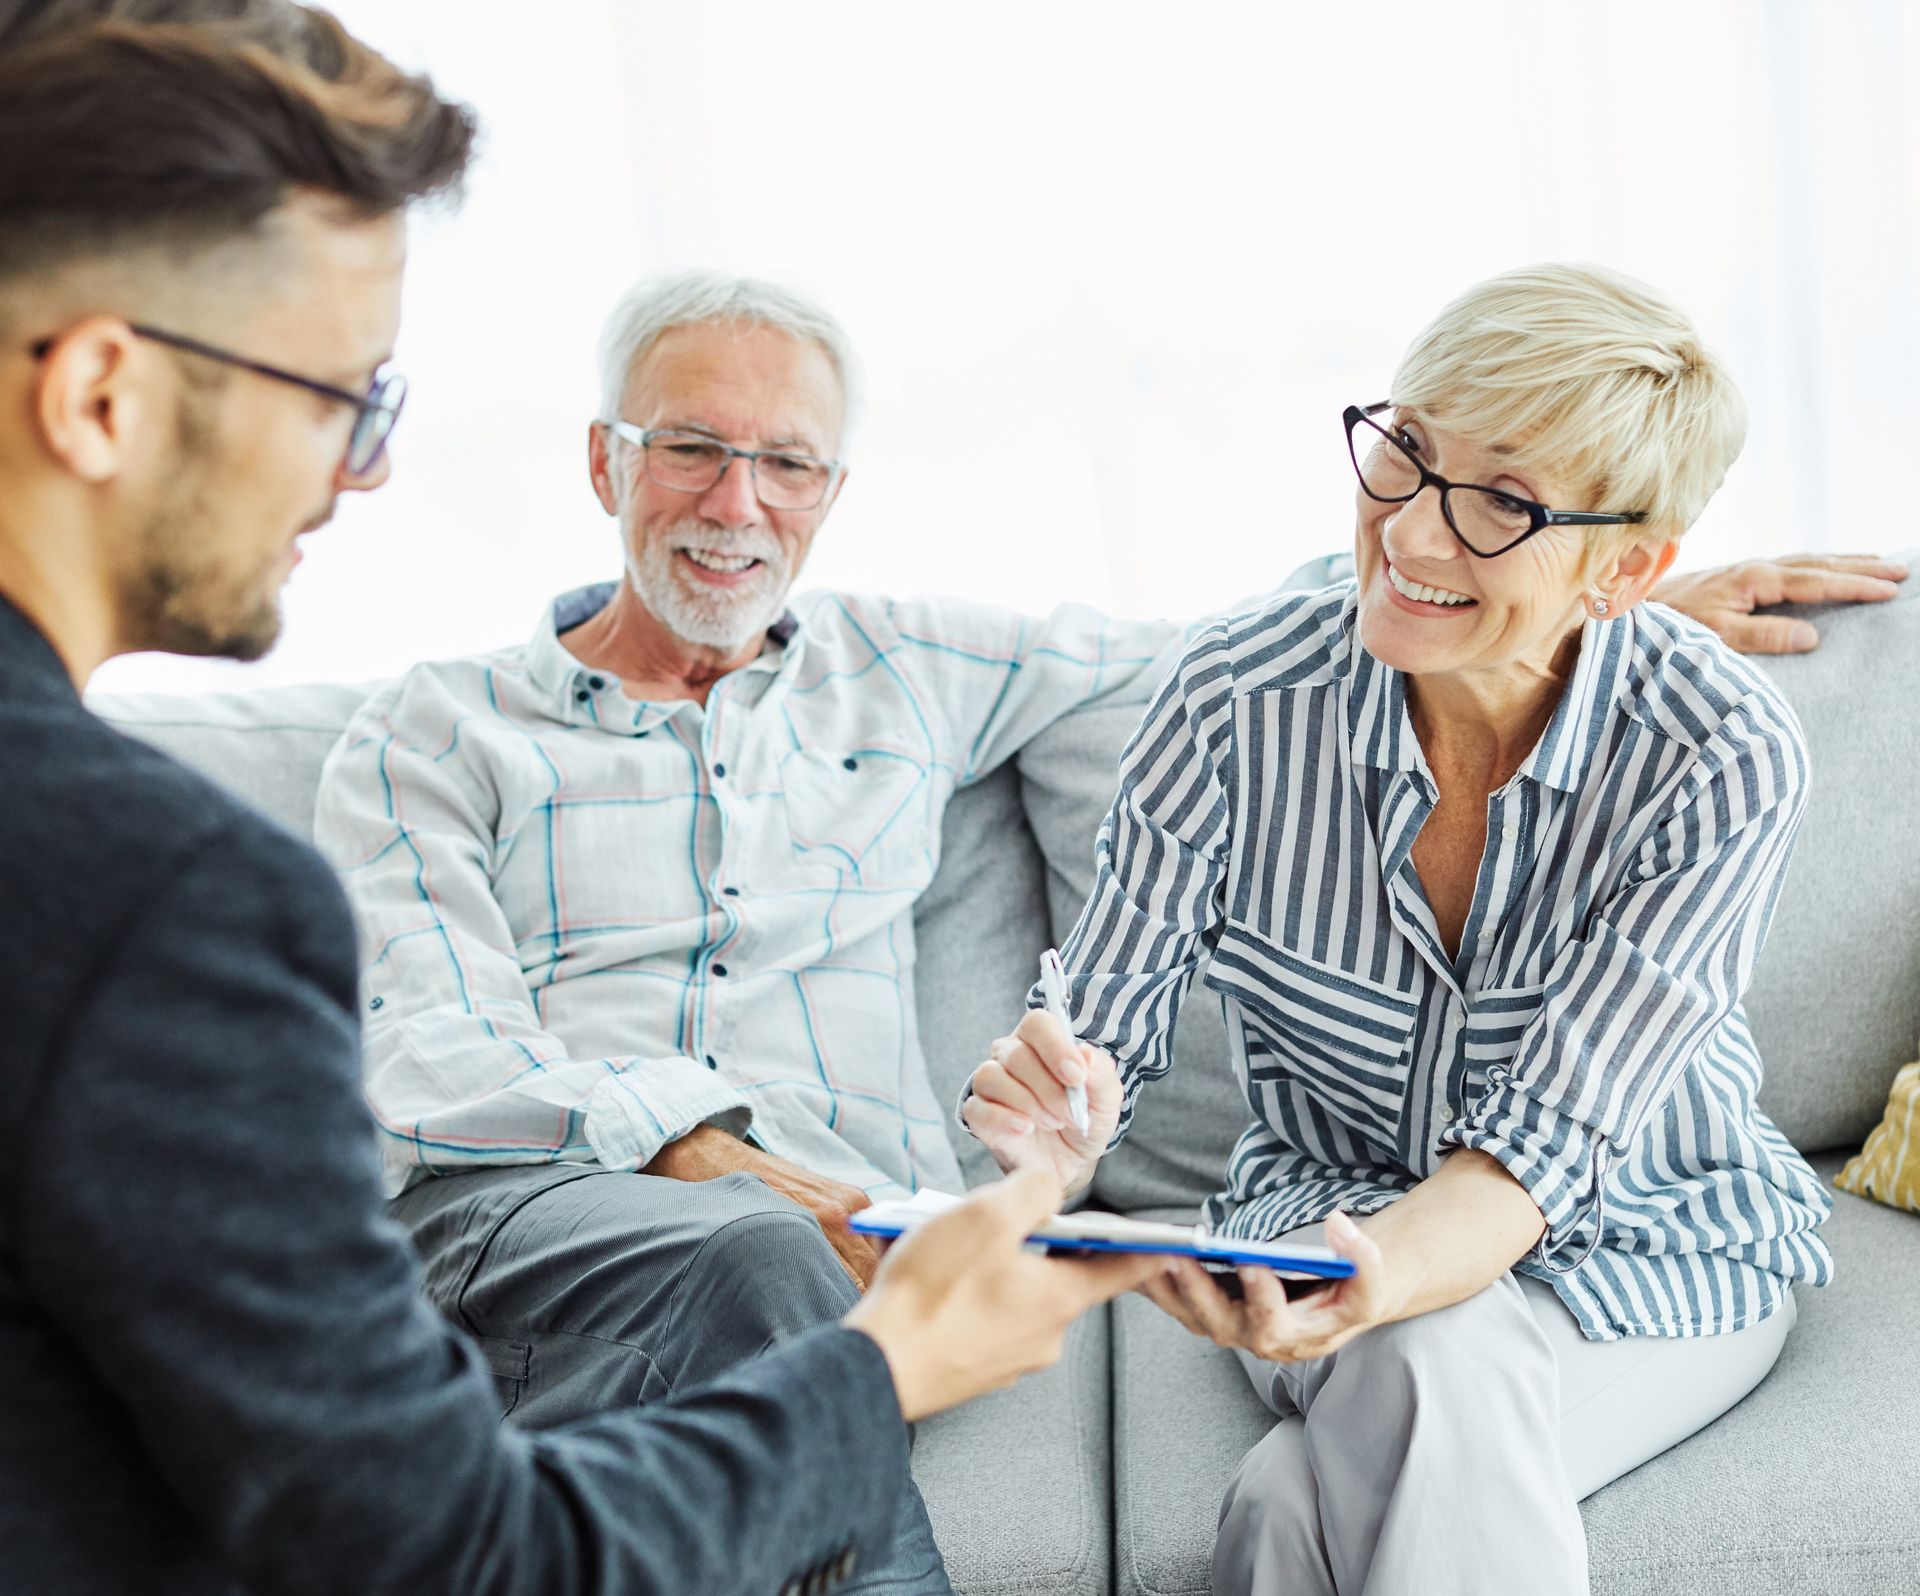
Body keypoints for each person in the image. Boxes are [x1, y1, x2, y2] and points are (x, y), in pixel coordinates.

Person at [0, 8, 1167, 1595]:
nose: (366, 474)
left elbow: (1211, 659)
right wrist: (843, 1309)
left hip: (811, 1255)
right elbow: (443, 1526)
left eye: (788, 466)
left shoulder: (912, 667)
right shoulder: (214, 870)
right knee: (757, 1259)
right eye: (341, 396)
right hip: (551, 1220)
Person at [961, 264, 1839, 1596]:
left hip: (1662, 1248)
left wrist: (1380, 1281)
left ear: (1629, 570)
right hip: (1310, 1229)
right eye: (1410, 453)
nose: (1414, 537)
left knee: (1320, 1477)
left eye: (1505, 504)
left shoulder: (1716, 754)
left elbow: (1538, 1160)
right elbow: (1102, 1031)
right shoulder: (1234, 700)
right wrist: (1056, 1120)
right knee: (1430, 1363)